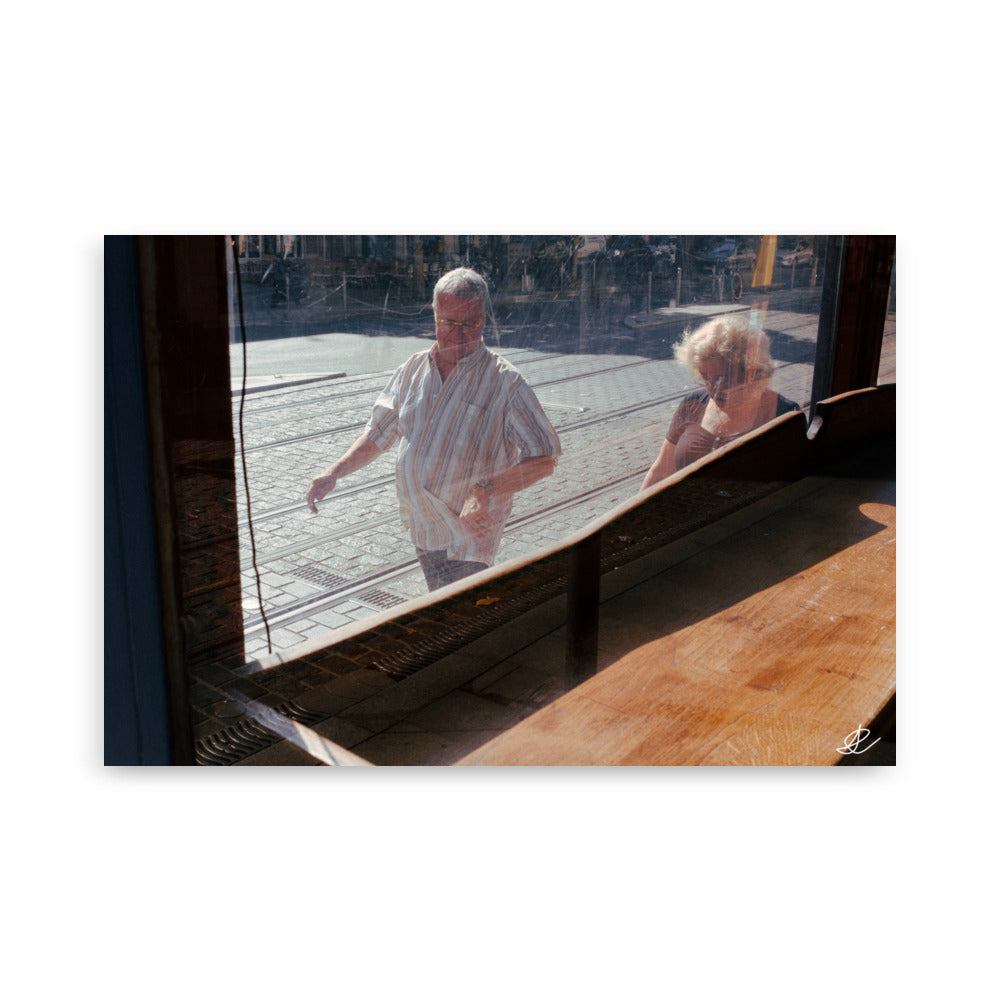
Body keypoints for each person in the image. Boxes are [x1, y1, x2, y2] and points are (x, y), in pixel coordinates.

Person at [306, 267, 562, 591]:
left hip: (468, 537)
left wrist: (484, 489)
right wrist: (333, 472)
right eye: (448, 323)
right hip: (425, 529)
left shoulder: (505, 382)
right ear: (435, 315)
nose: (459, 334)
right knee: (444, 613)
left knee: (458, 616)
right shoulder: (412, 369)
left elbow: (546, 458)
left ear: (484, 318)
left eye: (470, 324)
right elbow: (378, 434)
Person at [641, 315, 799, 490]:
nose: (714, 390)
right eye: (706, 377)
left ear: (750, 372)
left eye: (724, 378)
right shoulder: (692, 404)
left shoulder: (783, 414)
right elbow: (660, 472)